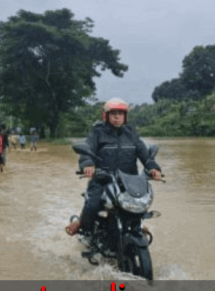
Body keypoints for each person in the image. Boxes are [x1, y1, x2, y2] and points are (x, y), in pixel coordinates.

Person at [66, 98, 161, 236]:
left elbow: (144, 153)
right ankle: (82, 225)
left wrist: (153, 168)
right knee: (93, 204)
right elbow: (88, 151)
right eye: (114, 114)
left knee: (140, 203)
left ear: (125, 116)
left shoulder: (132, 133)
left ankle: (137, 226)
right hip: (103, 179)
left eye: (120, 114)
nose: (117, 117)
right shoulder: (97, 132)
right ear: (106, 115)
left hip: (129, 181)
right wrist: (88, 165)